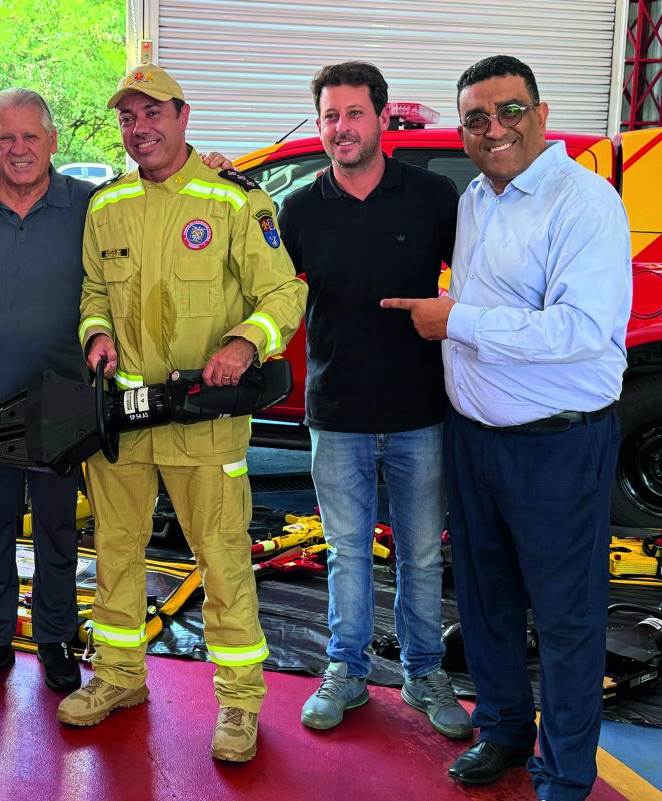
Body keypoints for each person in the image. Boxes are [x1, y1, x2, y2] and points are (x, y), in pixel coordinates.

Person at [382, 55, 631, 801]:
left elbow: (581, 329)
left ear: (541, 113)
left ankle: (564, 773)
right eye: (476, 118)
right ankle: (503, 729)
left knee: (564, 616)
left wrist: (457, 321)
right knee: (486, 600)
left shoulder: (584, 202)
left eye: (510, 110)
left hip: (557, 444)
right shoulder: (475, 200)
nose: (494, 129)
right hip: (475, 438)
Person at [56, 64, 306, 763]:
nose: (140, 129)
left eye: (152, 113)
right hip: (123, 420)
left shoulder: (234, 199)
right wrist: (96, 335)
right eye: (128, 117)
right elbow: (92, 293)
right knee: (115, 552)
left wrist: (245, 342)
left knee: (221, 558)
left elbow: (283, 293)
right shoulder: (106, 205)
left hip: (205, 421)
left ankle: (239, 701)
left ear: (182, 115)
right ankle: (118, 676)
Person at [278, 62, 470, 740]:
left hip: (419, 411)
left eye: (354, 113)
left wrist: (454, 309)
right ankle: (346, 669)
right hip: (336, 413)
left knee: (421, 554)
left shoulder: (433, 196)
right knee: (346, 551)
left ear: (382, 118)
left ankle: (424, 673)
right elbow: (269, 288)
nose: (341, 128)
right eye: (330, 115)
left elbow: (480, 278)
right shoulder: (299, 208)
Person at [0, 88, 91, 695]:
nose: (19, 148)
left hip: (61, 393)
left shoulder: (88, 203)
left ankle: (55, 637)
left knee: (58, 527)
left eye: (31, 136)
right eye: (5, 137)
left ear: (53, 141)